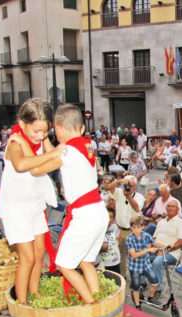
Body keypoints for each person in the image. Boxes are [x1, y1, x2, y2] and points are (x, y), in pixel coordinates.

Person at [29, 104, 109, 304]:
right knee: (85, 261)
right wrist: (51, 143)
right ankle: (97, 297)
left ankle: (92, 303)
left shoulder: (65, 152)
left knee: (64, 265)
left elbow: (37, 169)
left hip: (84, 215)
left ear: (58, 130)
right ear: (82, 128)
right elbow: (57, 154)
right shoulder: (86, 145)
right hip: (98, 211)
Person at [0, 98, 65, 304]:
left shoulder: (37, 139)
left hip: (34, 205)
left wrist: (46, 142)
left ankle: (34, 292)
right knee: (27, 258)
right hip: (16, 209)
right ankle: (22, 302)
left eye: (45, 131)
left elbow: (48, 154)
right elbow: (21, 164)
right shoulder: (16, 142)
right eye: (36, 131)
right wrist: (53, 152)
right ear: (22, 123)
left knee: (39, 252)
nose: (41, 136)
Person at [126, 216, 159, 310]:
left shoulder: (146, 235)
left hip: (146, 264)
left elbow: (155, 243)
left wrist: (167, 247)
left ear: (142, 227)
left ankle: (150, 298)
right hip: (135, 266)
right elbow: (134, 255)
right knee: (135, 286)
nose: (136, 230)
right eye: (134, 228)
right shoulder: (130, 238)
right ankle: (137, 305)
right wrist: (148, 250)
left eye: (138, 227)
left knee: (155, 281)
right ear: (131, 228)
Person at [100, 206, 121, 274]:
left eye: (110, 217)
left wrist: (115, 245)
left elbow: (118, 237)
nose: (107, 219)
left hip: (115, 261)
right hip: (103, 263)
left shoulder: (114, 227)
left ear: (113, 219)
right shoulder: (99, 228)